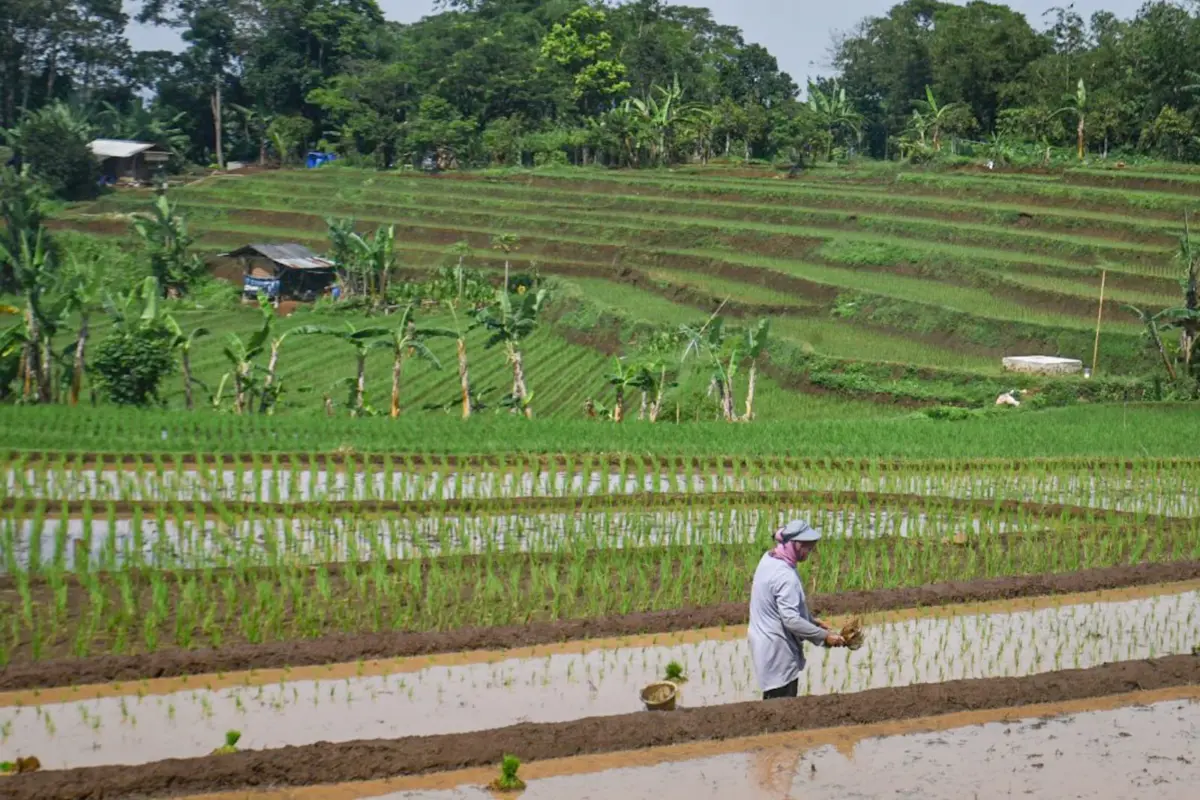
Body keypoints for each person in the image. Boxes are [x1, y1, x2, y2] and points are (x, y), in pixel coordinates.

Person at [749, 519, 845, 700]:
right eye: (809, 547)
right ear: (796, 545)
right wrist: (824, 636)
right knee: (781, 704)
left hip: (762, 640)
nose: (810, 552)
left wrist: (810, 620)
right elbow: (791, 620)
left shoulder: (770, 558)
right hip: (777, 649)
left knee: (772, 699)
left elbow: (782, 607)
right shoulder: (786, 577)